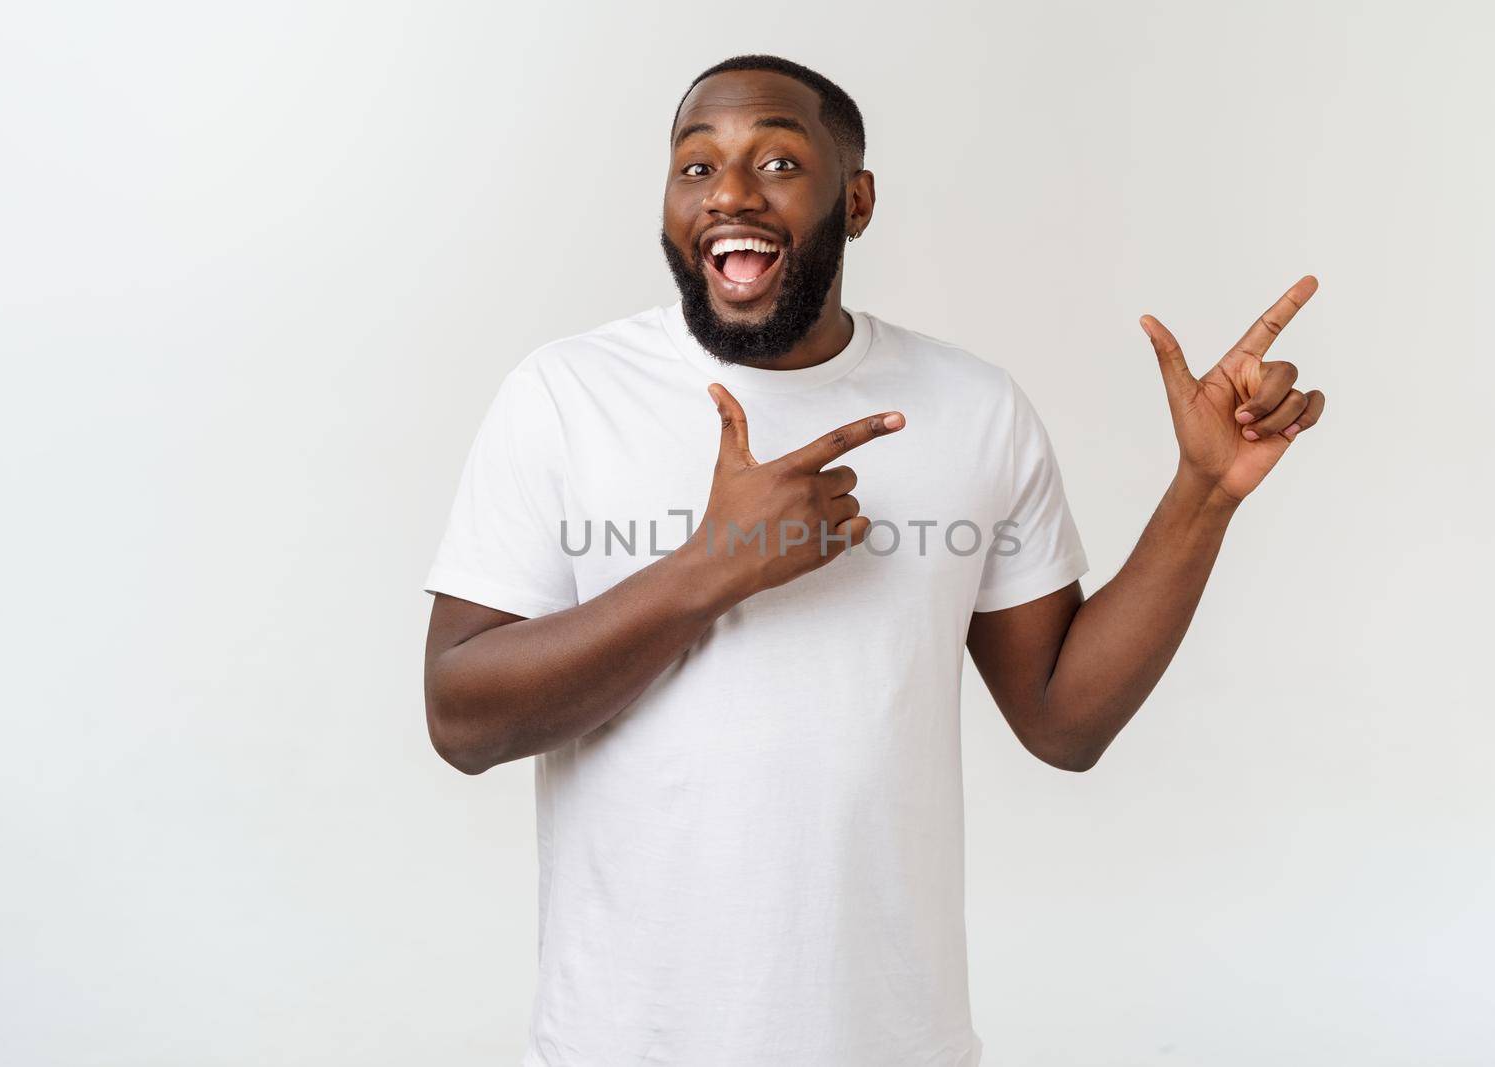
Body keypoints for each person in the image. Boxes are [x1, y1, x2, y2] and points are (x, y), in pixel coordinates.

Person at [421, 53, 1326, 1067]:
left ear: (854, 202)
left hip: (894, 1039)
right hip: (626, 1041)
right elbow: (461, 716)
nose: (728, 190)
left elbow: (1065, 721)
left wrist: (1200, 495)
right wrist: (711, 568)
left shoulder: (973, 407)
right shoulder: (565, 395)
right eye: (695, 166)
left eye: (776, 161)